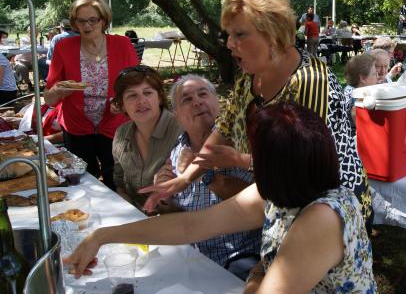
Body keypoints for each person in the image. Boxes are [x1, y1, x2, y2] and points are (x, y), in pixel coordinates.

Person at [65, 102, 377, 293]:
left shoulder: (322, 218)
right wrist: (102, 236)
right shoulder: (283, 189)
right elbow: (190, 226)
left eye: (254, 154)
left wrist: (257, 273)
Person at [139, 0, 373, 230]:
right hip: (280, 199)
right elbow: (223, 130)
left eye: (239, 35)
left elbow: (303, 166)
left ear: (273, 35)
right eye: (228, 35)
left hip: (326, 214)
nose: (229, 44)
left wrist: (241, 160)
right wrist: (185, 179)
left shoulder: (310, 81)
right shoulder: (248, 77)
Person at [154, 74, 261, 278]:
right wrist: (165, 199)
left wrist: (202, 174)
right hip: (191, 258)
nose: (197, 102)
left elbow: (261, 201)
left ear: (218, 104)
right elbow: (177, 215)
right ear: (176, 115)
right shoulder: (176, 151)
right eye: (187, 99)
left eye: (203, 94)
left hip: (240, 260)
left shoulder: (242, 141)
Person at [44, 0, 138, 189]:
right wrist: (58, 91)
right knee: (83, 181)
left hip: (115, 124)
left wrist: (122, 103)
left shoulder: (122, 44)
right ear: (74, 23)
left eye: (92, 20)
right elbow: (49, 98)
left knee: (118, 179)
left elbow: (136, 84)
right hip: (76, 126)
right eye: (81, 21)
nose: (86, 26)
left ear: (103, 20)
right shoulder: (64, 47)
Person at [110, 65, 183, 209]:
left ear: (160, 97)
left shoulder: (181, 132)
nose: (141, 101)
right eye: (132, 95)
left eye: (147, 93)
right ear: (122, 105)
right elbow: (120, 186)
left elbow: (193, 200)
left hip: (175, 218)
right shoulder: (121, 133)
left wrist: (164, 198)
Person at [343, 53, 378, 135]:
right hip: (354, 138)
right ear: (362, 78)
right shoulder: (359, 96)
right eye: (374, 74)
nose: (377, 76)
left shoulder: (349, 89)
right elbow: (364, 130)